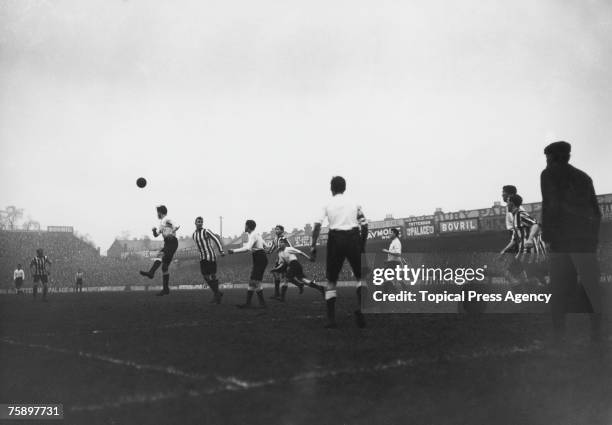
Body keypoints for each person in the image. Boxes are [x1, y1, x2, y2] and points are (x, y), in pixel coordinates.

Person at [540, 141, 603, 342]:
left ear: (553, 157)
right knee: (592, 288)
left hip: (563, 240)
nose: (547, 161)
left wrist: (548, 236)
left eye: (548, 158)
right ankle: (597, 333)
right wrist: (592, 240)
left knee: (558, 289)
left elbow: (552, 205)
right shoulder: (585, 177)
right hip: (585, 241)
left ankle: (559, 335)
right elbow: (596, 212)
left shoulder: (549, 173)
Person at [310, 176, 368, 328]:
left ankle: (331, 320)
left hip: (336, 239)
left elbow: (316, 227)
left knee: (331, 281)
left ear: (331, 188)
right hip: (353, 237)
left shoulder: (327, 204)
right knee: (361, 277)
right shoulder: (355, 204)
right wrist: (361, 244)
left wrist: (313, 246)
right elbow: (365, 225)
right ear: (345, 187)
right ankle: (361, 309)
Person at [499, 194, 547, 286]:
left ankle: (524, 293)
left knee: (510, 274)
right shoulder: (515, 218)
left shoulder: (520, 215)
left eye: (507, 203)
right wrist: (504, 251)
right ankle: (539, 288)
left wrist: (529, 239)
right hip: (524, 252)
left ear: (512, 204)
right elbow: (514, 239)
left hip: (528, 251)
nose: (506, 205)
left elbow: (535, 225)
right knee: (532, 276)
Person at [140, 205, 180, 296]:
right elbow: (156, 235)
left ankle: (151, 272)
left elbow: (177, 225)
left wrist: (171, 232)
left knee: (160, 255)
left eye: (157, 212)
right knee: (164, 267)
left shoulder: (167, 219)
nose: (157, 214)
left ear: (160, 212)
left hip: (172, 242)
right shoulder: (162, 223)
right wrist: (154, 231)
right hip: (168, 243)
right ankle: (166, 289)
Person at [228, 219, 268, 309]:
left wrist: (234, 251)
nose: (244, 227)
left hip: (259, 258)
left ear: (248, 226)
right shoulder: (256, 234)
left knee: (254, 281)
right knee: (253, 282)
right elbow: (265, 245)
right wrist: (263, 250)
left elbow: (247, 248)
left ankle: (258, 303)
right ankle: (252, 303)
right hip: (260, 258)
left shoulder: (253, 235)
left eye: (245, 225)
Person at [192, 216, 225, 304]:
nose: (200, 223)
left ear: (202, 223)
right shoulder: (194, 235)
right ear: (195, 223)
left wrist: (221, 250)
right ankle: (217, 293)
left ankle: (216, 296)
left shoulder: (206, 231)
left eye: (201, 222)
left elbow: (216, 239)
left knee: (213, 275)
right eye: (198, 221)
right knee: (205, 276)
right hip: (202, 257)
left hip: (210, 256)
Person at [267, 225, 292, 300]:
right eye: (275, 229)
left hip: (284, 260)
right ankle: (277, 294)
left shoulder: (284, 239)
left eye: (278, 229)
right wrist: (265, 251)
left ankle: (281, 296)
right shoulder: (275, 239)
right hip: (278, 260)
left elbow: (290, 247)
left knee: (284, 277)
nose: (276, 231)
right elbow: (271, 249)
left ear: (282, 231)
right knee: (276, 274)